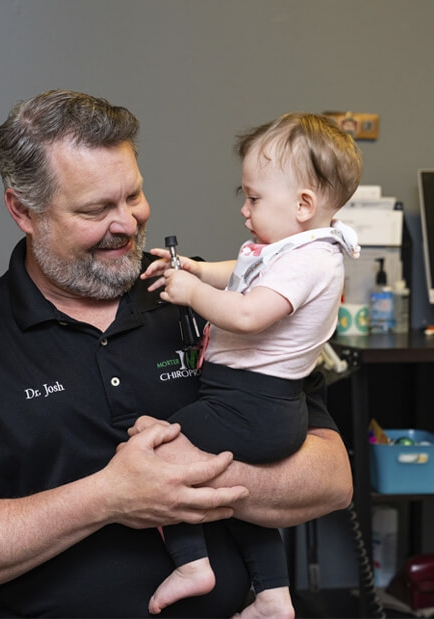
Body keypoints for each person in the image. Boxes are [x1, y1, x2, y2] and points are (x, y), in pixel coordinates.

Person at [0, 91, 353, 618]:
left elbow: (331, 477)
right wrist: (106, 498)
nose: (127, 223)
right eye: (95, 208)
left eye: (133, 195)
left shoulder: (203, 298)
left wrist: (181, 477)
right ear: (23, 211)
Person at [140, 112, 362, 617]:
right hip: (259, 406)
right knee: (241, 505)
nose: (244, 209)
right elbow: (242, 274)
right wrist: (199, 270)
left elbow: (247, 314)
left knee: (155, 451)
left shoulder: (312, 260)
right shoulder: (290, 249)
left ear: (303, 205)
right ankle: (273, 596)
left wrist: (191, 292)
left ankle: (192, 564)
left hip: (252, 404)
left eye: (254, 198)